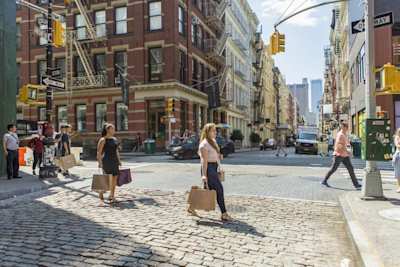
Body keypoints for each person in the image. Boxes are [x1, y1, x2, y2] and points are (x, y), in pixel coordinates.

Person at [188, 123, 232, 221]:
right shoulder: (204, 144)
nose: (215, 132)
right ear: (207, 132)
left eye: (215, 130)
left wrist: (219, 157)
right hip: (208, 169)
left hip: (214, 167)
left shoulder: (213, 141)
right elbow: (204, 161)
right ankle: (224, 214)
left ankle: (192, 207)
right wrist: (204, 175)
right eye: (213, 130)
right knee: (219, 190)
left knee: (207, 191)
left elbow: (214, 155)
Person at [322, 122, 362, 189]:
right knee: (333, 169)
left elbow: (346, 144)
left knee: (350, 168)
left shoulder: (344, 134)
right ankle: (324, 181)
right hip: (339, 155)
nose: (347, 128)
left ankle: (356, 184)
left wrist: (349, 150)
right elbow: (340, 145)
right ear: (343, 127)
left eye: (347, 127)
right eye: (346, 127)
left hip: (344, 155)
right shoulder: (340, 135)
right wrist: (348, 151)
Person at [97, 123, 121, 204]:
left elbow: (116, 150)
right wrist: (100, 162)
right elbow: (99, 152)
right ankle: (101, 192)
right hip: (106, 161)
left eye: (114, 129)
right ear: (108, 130)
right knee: (106, 179)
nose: (114, 130)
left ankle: (112, 195)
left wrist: (119, 160)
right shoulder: (103, 140)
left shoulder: (115, 139)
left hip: (114, 161)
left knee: (114, 179)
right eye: (112, 129)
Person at [392, 128, 400, 193]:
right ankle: (399, 187)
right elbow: (397, 145)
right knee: (398, 173)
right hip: (398, 156)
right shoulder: (396, 137)